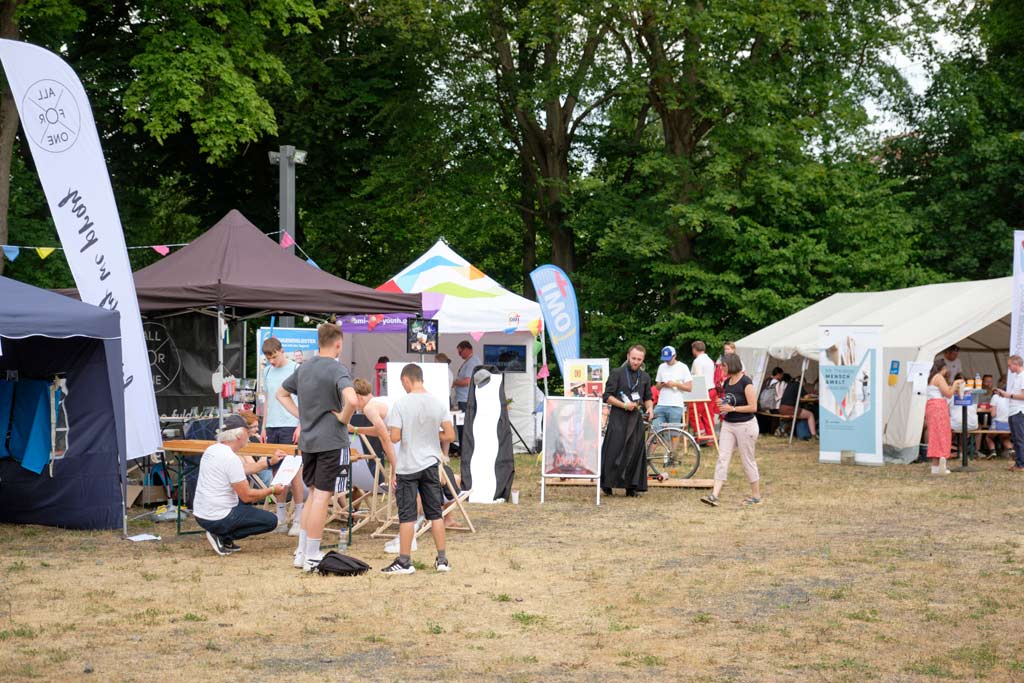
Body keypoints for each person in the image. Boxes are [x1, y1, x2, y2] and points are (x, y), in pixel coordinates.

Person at [277, 323, 358, 571]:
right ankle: (312, 554)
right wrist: (344, 418)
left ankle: (302, 552)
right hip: (331, 440)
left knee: (313, 494)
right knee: (323, 496)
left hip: (308, 441)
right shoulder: (336, 368)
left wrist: (301, 417)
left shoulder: (304, 367)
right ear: (338, 344)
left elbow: (281, 393)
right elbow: (353, 399)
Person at [382, 363, 456, 575]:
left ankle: (405, 561)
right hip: (431, 464)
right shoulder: (438, 403)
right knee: (435, 514)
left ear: (406, 380)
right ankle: (442, 560)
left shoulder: (401, 404)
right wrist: (432, 435)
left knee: (407, 516)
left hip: (408, 467)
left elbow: (395, 437)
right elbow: (450, 435)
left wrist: (397, 433)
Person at [193, 414, 285, 555]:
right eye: (247, 433)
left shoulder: (213, 450)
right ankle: (222, 535)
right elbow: (247, 496)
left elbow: (242, 471)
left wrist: (269, 462)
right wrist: (272, 490)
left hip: (202, 513)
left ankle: (222, 535)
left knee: (245, 505)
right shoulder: (230, 458)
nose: (249, 437)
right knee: (271, 521)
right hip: (218, 516)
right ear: (239, 436)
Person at [701, 353, 761, 507]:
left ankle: (756, 496)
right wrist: (722, 403)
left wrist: (732, 408)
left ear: (731, 365)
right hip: (729, 424)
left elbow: (753, 407)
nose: (721, 369)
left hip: (746, 425)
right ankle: (714, 495)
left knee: (747, 460)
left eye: (723, 366)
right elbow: (729, 400)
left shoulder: (746, 382)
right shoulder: (727, 382)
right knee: (722, 458)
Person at [260, 337, 305, 534]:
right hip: (272, 426)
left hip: (290, 425)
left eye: (275, 356)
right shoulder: (267, 370)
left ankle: (299, 518)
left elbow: (304, 399)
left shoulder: (296, 369)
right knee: (277, 472)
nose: (272, 361)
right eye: (269, 358)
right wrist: (263, 426)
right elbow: (268, 400)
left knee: (294, 472)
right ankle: (280, 518)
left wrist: (301, 424)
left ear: (282, 351)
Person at [600, 344, 653, 497]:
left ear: (642, 360)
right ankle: (608, 484)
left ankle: (631, 487)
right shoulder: (617, 373)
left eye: (639, 359)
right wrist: (623, 405)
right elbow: (607, 396)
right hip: (618, 417)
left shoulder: (645, 377)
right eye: (634, 358)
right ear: (628, 356)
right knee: (613, 450)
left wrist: (650, 408)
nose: (636, 362)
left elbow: (648, 398)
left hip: (635, 419)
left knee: (634, 452)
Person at [925, 360, 962, 475]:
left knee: (935, 435)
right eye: (946, 368)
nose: (947, 371)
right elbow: (948, 393)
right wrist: (956, 383)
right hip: (938, 407)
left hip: (932, 406)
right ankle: (942, 463)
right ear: (943, 368)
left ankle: (935, 467)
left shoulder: (931, 377)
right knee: (942, 434)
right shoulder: (939, 377)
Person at [545, 400, 599, 476]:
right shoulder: (552, 451)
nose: (572, 428)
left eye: (577, 420)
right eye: (565, 419)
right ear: (557, 423)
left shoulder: (594, 449)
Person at [993, 355, 1024, 472]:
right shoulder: (1017, 377)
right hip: (1014, 410)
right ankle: (1018, 463)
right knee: (1016, 439)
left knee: (1019, 438)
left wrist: (1008, 395)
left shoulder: (1022, 377)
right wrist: (1004, 393)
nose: (1009, 367)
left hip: (1019, 411)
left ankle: (1021, 465)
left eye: (1010, 365)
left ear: (1016, 364)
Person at [652, 346, 692, 433]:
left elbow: (689, 388)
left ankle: (673, 447)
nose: (667, 361)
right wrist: (663, 384)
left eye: (669, 359)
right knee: (654, 431)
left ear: (675, 356)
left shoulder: (683, 367)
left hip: (676, 405)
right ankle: (651, 446)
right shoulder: (661, 367)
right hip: (661, 404)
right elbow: (657, 386)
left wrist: (675, 384)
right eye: (665, 359)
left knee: (673, 434)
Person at [453, 340, 482, 443]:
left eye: (460, 352)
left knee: (464, 425)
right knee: (463, 425)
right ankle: (464, 448)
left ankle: (464, 449)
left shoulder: (472, 362)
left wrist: (455, 383)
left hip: (466, 400)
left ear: (467, 349)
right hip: (465, 398)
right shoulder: (470, 361)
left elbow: (468, 381)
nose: (459, 355)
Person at [690, 340, 718, 435]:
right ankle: (710, 437)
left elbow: (698, 378)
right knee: (708, 415)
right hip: (712, 390)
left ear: (694, 349)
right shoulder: (710, 360)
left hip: (703, 391)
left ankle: (701, 435)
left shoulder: (697, 361)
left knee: (693, 413)